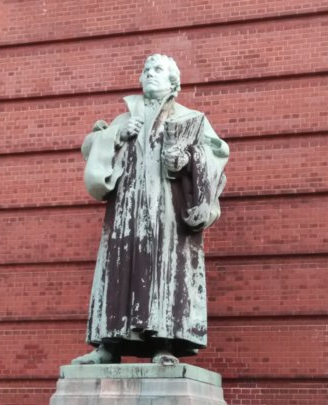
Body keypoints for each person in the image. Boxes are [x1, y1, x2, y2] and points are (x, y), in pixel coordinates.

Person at [72, 54, 229, 366]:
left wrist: (187, 160)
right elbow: (89, 147)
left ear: (173, 81)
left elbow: (217, 154)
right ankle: (109, 345)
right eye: (145, 70)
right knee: (117, 270)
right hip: (126, 210)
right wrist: (114, 135)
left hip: (168, 211)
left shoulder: (191, 118)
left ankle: (163, 344)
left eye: (157, 69)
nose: (149, 74)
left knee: (166, 272)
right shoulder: (125, 118)